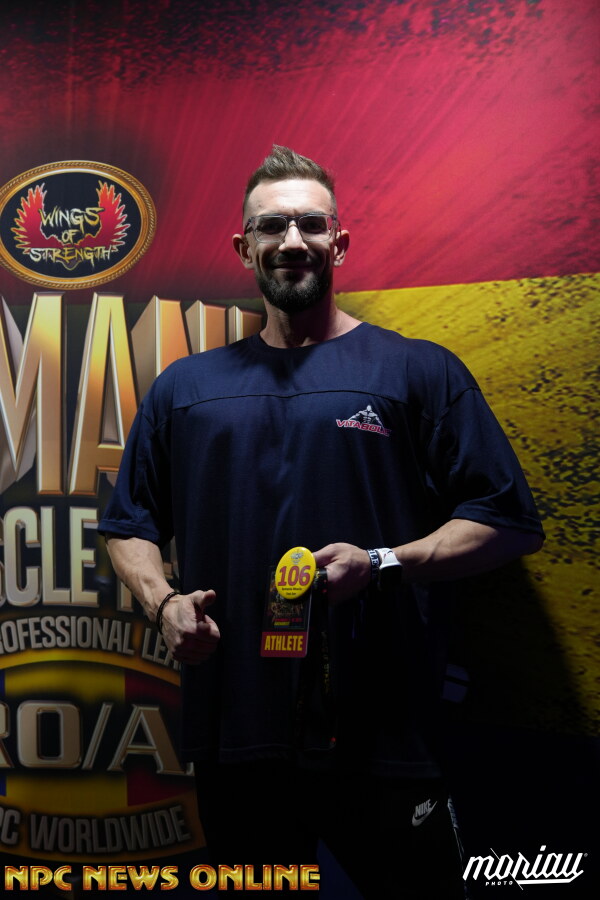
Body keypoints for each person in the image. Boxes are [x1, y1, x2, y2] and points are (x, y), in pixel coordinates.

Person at [99, 146, 544, 897]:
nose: (292, 240)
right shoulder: (186, 389)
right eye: (271, 227)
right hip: (237, 736)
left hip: (386, 734)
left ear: (339, 242)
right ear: (244, 248)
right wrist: (163, 602)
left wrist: (384, 563)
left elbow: (507, 521)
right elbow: (128, 523)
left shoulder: (416, 371)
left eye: (311, 224)